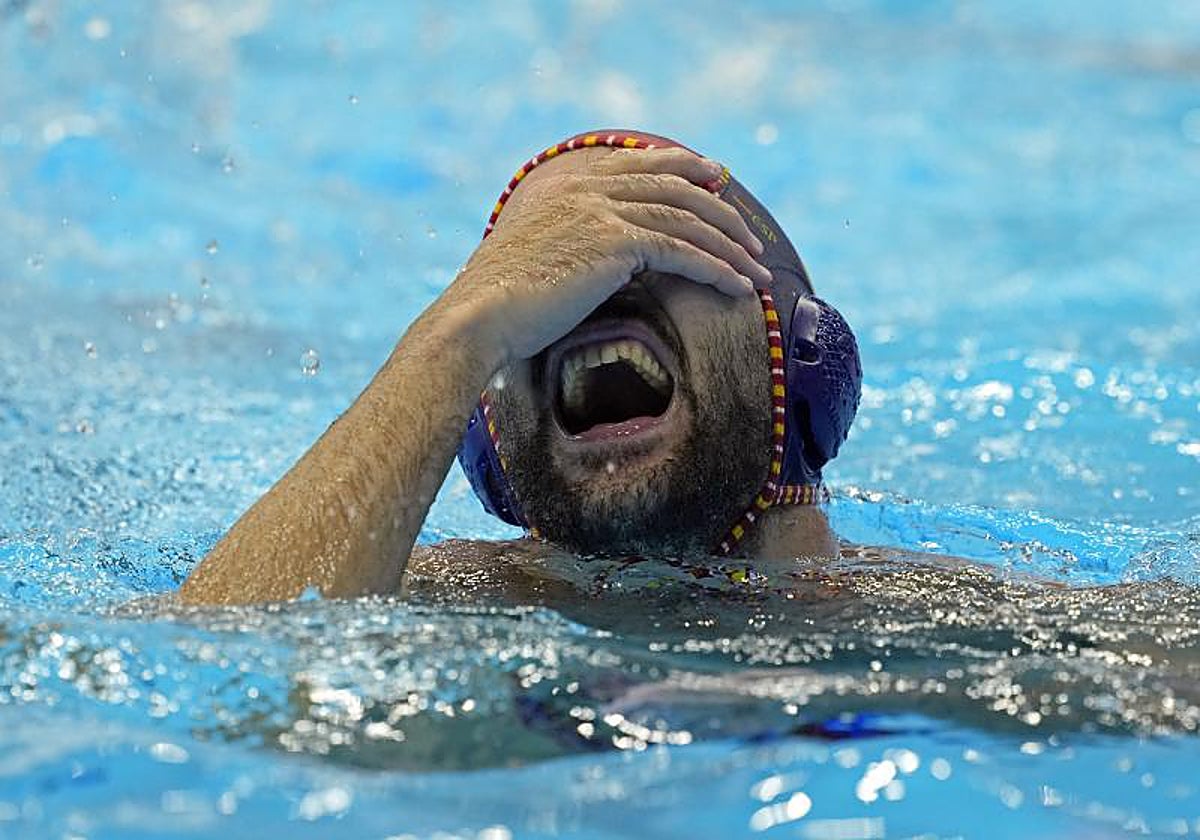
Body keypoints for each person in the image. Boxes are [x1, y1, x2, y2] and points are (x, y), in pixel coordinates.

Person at [179, 130, 862, 607]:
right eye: (547, 268)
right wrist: (460, 334)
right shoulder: (440, 607)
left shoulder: (928, 622)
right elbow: (211, 675)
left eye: (673, 238)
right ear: (483, 439)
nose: (598, 286)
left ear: (799, 361)